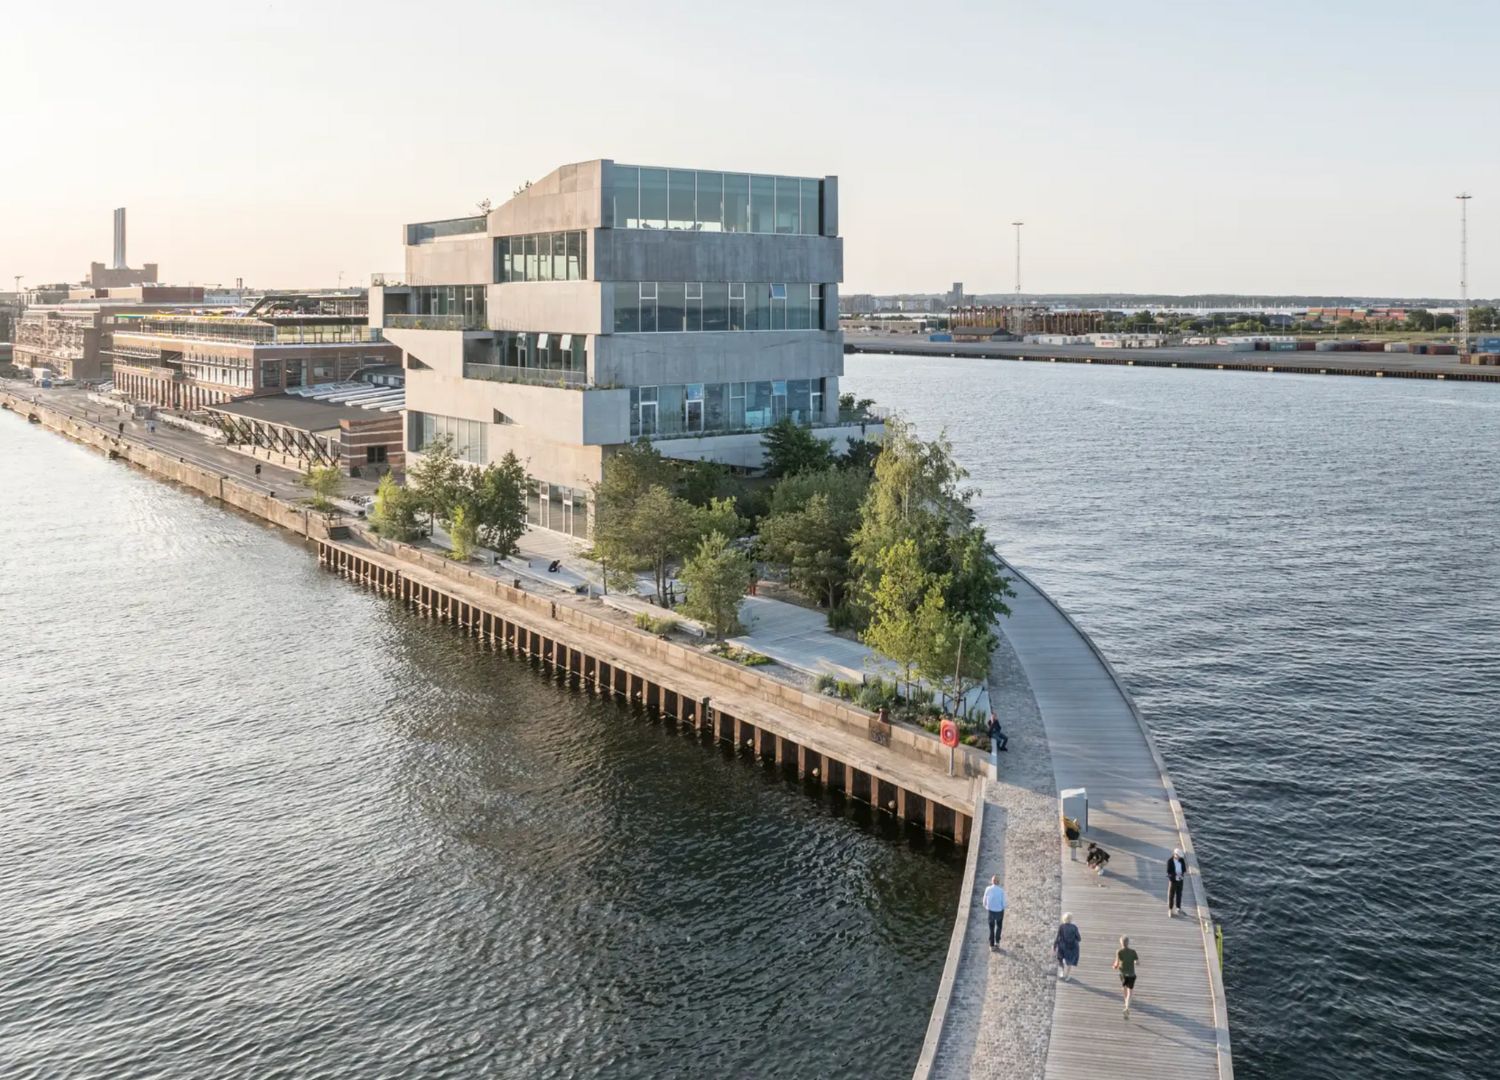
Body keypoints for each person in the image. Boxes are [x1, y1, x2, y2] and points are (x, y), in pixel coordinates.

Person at [1113, 936, 1140, 1017]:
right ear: (1128, 943)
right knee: (1130, 992)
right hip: (1131, 974)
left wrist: (1114, 966)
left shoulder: (1119, 952)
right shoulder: (1133, 952)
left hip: (1123, 974)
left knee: (1124, 988)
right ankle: (1127, 1007)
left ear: (1121, 943)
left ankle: (1125, 1003)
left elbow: (1116, 964)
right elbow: (1137, 962)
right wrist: (1135, 962)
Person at [982, 874, 1007, 950]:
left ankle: (991, 945)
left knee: (991, 928)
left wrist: (987, 907)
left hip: (991, 911)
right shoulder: (1001, 891)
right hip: (999, 911)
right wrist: (1002, 908)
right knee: (999, 926)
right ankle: (997, 942)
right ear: (998, 882)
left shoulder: (988, 889)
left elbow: (984, 901)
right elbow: (1004, 904)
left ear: (992, 881)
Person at [1053, 913, 1081, 980]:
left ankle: (1062, 973)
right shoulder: (1074, 927)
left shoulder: (1061, 926)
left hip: (1062, 946)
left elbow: (1058, 937)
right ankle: (1067, 976)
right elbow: (1079, 938)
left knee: (1060, 959)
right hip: (1072, 947)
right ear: (1071, 919)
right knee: (1069, 962)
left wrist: (1055, 946)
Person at [1166, 847, 1187, 917]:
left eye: (1180, 856)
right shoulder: (1170, 861)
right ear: (1175, 854)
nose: (1179, 858)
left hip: (1180, 880)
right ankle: (1170, 909)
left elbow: (1184, 869)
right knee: (1171, 896)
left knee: (1179, 894)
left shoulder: (1181, 860)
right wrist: (1175, 875)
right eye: (1178, 856)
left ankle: (1178, 908)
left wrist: (1182, 874)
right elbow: (1168, 872)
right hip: (1173, 881)